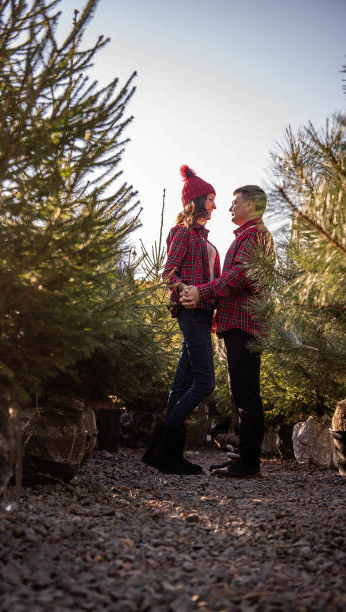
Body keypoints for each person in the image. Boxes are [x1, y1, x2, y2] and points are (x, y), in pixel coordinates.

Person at [181, 185, 274, 478]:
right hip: (237, 323)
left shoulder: (255, 235)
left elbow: (238, 276)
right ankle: (245, 457)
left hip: (245, 325)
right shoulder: (248, 235)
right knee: (242, 392)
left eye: (235, 202)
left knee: (246, 393)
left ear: (253, 206)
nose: (230, 208)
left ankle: (249, 463)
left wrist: (202, 292)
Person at [142, 165, 220, 475]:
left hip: (203, 314)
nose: (214, 205)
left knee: (181, 385)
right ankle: (163, 451)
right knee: (204, 383)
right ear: (199, 200)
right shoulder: (183, 232)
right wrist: (185, 288)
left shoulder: (201, 236)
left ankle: (165, 456)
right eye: (211, 199)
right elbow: (168, 274)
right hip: (191, 313)